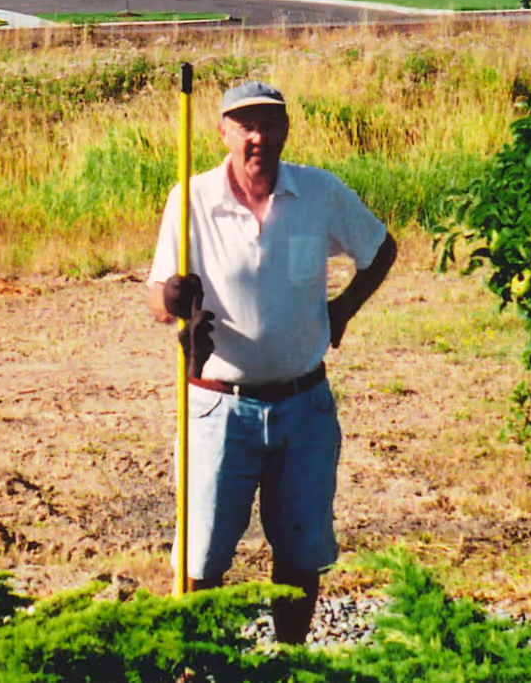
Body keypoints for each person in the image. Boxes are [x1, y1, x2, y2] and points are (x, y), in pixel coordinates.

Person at [147, 79, 397, 644]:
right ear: (223, 133)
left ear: (286, 129)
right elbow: (157, 293)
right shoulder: (190, 197)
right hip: (216, 405)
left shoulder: (319, 193)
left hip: (303, 406)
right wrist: (172, 301)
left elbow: (380, 247)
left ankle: (290, 661)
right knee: (201, 559)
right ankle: (198, 667)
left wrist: (344, 309)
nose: (258, 136)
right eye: (245, 125)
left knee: (301, 554)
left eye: (270, 123)